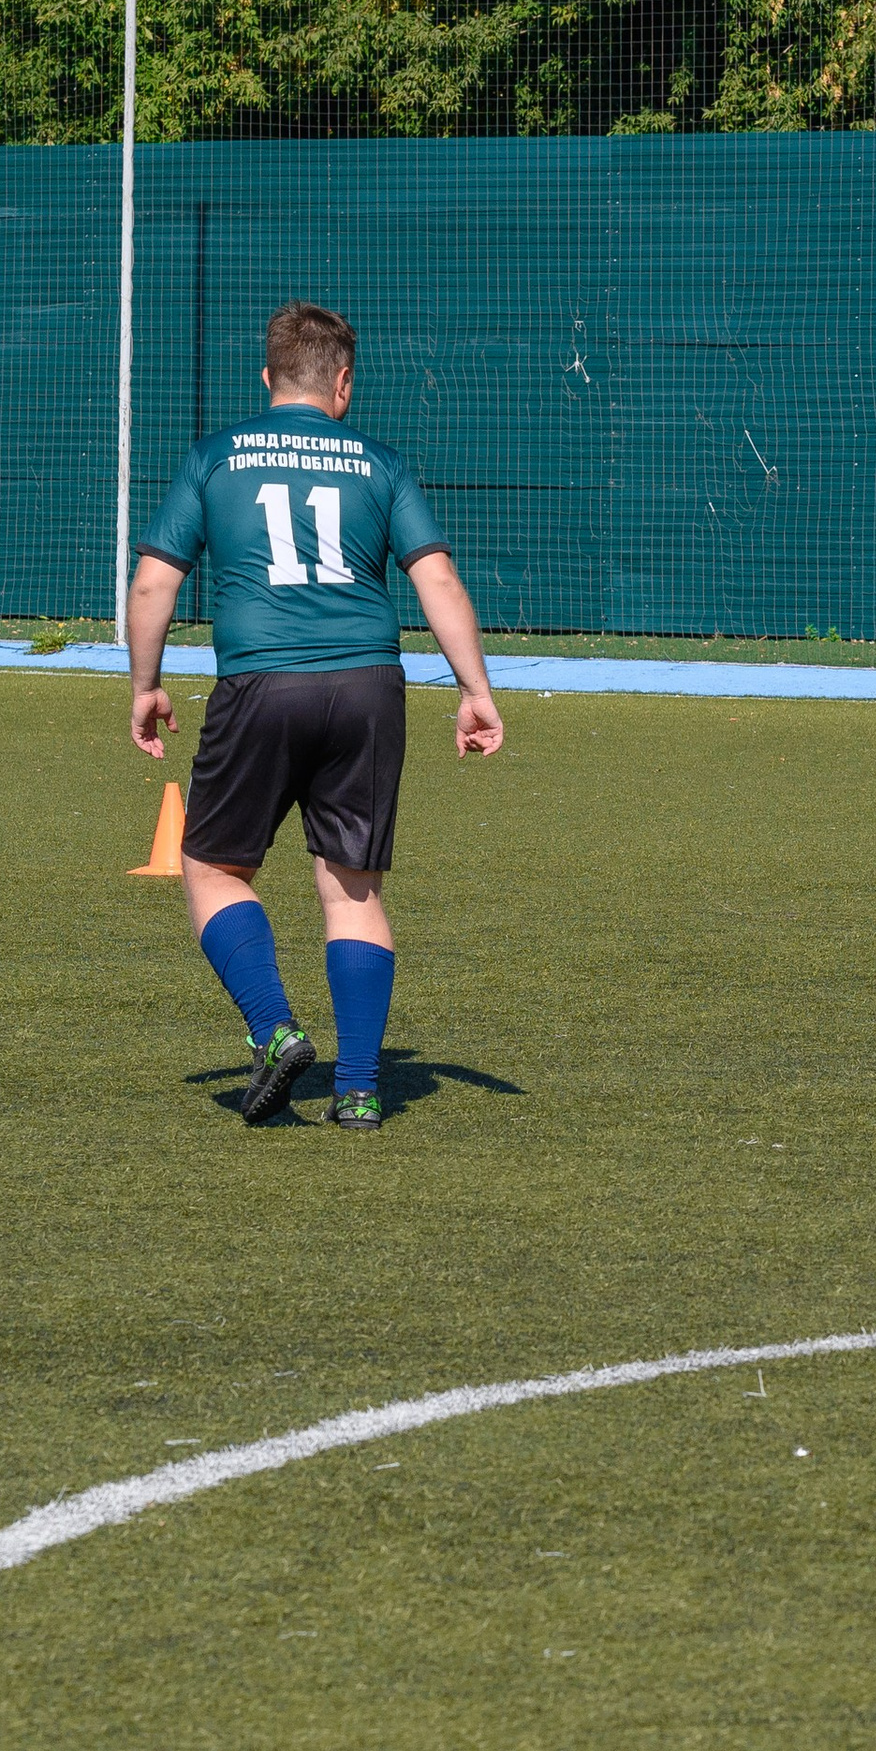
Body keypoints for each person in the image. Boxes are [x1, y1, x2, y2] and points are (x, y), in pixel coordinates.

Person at [126, 301, 503, 1130]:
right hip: (368, 688)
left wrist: (145, 685)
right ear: (343, 384)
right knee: (352, 888)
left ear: (267, 378)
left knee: (213, 868)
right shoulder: (380, 462)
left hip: (262, 684)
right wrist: (474, 689)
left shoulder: (215, 456)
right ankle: (360, 1090)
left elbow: (153, 582)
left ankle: (275, 1031)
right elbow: (437, 579)